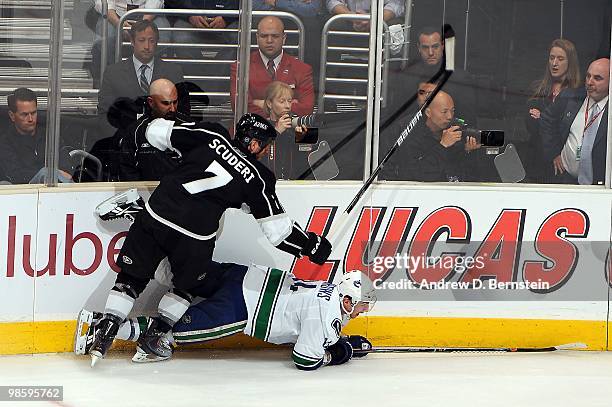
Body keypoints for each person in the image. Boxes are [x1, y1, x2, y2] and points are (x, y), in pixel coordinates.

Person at [89, 113, 332, 366]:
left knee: (130, 278)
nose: (264, 153)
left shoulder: (211, 134)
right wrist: (312, 245)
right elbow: (278, 233)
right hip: (194, 237)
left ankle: (106, 330)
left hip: (157, 214)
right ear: (254, 144)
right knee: (185, 287)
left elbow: (154, 132)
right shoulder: (258, 178)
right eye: (265, 146)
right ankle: (155, 338)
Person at [75, 264, 376, 369]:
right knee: (168, 334)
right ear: (348, 299)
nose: (363, 310)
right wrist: (340, 352)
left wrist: (337, 340)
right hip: (243, 308)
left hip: (246, 274)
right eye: (362, 304)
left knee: (187, 273)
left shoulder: (329, 290)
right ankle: (102, 326)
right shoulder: (327, 315)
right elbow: (305, 359)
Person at [97, 20, 186, 129]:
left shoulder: (173, 72)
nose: (147, 46)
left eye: (151, 41)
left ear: (157, 42)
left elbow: (183, 112)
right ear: (132, 41)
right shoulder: (113, 73)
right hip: (125, 140)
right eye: (141, 40)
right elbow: (105, 114)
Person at [386, 26, 477, 126]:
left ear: (442, 46)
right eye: (425, 47)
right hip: (415, 136)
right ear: (419, 48)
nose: (430, 52)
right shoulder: (407, 77)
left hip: (450, 134)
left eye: (435, 47)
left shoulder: (460, 78)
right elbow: (398, 116)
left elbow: (468, 119)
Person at [540, 58, 610, 185]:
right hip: (565, 178)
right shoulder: (571, 97)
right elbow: (547, 120)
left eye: (597, 78)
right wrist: (554, 152)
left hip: (599, 187)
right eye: (588, 76)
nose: (589, 82)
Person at [382, 91, 480, 182]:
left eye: (452, 111)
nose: (450, 116)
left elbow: (455, 168)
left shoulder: (454, 127)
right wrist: (443, 145)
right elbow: (416, 175)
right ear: (428, 112)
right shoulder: (408, 131)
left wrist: (467, 151)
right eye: (444, 111)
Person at [230, 16, 315, 117]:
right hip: (252, 129)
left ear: (284, 38)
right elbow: (239, 107)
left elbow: (307, 108)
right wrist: (286, 106)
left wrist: (261, 103)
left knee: (308, 132)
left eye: (275, 36)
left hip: (289, 130)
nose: (269, 40)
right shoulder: (240, 67)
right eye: (264, 36)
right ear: (257, 38)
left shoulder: (302, 69)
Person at [524, 39, 581, 183]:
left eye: (560, 59)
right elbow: (531, 126)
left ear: (570, 62)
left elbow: (571, 130)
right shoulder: (537, 89)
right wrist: (551, 122)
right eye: (551, 58)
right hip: (536, 162)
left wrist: (542, 117)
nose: (554, 63)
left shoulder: (578, 94)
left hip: (564, 166)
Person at [119, 78, 191, 181]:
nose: (172, 109)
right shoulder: (136, 131)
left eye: (175, 102)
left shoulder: (189, 126)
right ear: (151, 102)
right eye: (166, 103)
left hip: (184, 191)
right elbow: (127, 170)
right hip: (148, 191)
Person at [0, 88, 73, 184]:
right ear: (12, 116)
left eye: (33, 113)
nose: (30, 119)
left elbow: (67, 169)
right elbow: (16, 175)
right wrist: (47, 173)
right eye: (24, 114)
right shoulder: (5, 142)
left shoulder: (50, 136)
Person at [91, 0, 172, 84]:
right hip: (114, 13)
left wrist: (142, 24)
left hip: (148, 12)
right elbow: (103, 3)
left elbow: (156, 2)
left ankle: (149, 80)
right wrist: (118, 23)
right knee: (106, 41)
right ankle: (116, 80)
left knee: (162, 39)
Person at [261, 81, 311, 180]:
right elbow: (256, 155)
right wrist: (277, 132)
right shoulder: (261, 126)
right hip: (267, 183)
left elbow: (308, 161)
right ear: (269, 103)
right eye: (282, 101)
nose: (287, 106)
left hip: (292, 185)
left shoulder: (296, 124)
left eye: (289, 101)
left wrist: (302, 140)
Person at [326, 0, 403, 32]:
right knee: (332, 24)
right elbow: (333, 1)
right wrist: (353, 16)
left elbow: (395, 4)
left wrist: (374, 19)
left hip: (381, 22)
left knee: (395, 27)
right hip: (348, 20)